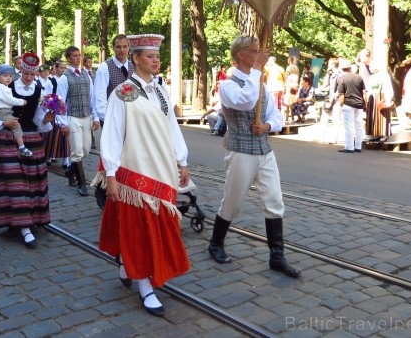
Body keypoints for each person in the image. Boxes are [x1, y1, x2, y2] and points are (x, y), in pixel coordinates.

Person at [92, 33, 191, 316]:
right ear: (135, 59)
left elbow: (172, 126)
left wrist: (182, 160)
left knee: (160, 224)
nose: (156, 60)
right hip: (134, 170)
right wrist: (110, 173)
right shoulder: (122, 92)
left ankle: (128, 263)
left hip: (161, 168)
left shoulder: (161, 91)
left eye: (158, 56)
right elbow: (111, 133)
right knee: (141, 229)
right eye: (150, 56)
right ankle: (144, 283)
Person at [207, 36, 300, 279]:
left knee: (275, 201)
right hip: (240, 151)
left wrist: (268, 126)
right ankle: (216, 243)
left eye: (259, 51)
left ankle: (276, 256)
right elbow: (246, 100)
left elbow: (276, 115)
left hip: (264, 151)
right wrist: (257, 70)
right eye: (254, 51)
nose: (259, 55)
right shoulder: (227, 85)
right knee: (232, 202)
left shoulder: (262, 84)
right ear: (240, 55)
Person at [0, 54, 53, 247]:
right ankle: (22, 226)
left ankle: (31, 220)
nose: (29, 77)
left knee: (32, 183)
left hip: (31, 137)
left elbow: (39, 120)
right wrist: (2, 122)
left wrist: (48, 119)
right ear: (19, 71)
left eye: (33, 74)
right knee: (16, 184)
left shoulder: (40, 89)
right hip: (7, 137)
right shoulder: (5, 89)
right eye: (25, 73)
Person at [63, 46, 100, 196]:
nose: (78, 58)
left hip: (86, 116)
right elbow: (60, 100)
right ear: (68, 58)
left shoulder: (86, 75)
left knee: (85, 150)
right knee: (77, 151)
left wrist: (95, 117)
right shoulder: (64, 77)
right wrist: (63, 122)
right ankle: (82, 183)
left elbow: (93, 98)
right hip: (72, 117)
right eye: (74, 56)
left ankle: (70, 170)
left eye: (79, 55)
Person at [0, 63, 31, 156]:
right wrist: (22, 102)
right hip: (4, 111)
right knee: (16, 125)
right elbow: (10, 100)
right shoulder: (5, 89)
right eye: (5, 76)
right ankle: (22, 147)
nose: (8, 78)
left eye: (10, 76)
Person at [94, 34, 134, 125]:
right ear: (113, 48)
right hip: (112, 116)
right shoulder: (105, 67)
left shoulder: (134, 66)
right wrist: (107, 118)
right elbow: (100, 96)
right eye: (118, 47)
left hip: (132, 117)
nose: (122, 50)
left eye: (125, 46)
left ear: (129, 47)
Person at [43, 60, 71, 171]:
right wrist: (53, 107)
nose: (63, 70)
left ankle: (66, 160)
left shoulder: (66, 80)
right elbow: (47, 97)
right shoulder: (51, 82)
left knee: (64, 138)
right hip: (54, 112)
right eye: (61, 68)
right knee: (51, 136)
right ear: (55, 69)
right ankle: (48, 157)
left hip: (65, 110)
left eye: (64, 68)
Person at [337, 60, 366, 152]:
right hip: (359, 104)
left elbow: (341, 94)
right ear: (350, 68)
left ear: (343, 69)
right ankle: (358, 146)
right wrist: (364, 103)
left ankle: (349, 147)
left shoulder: (342, 79)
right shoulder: (359, 78)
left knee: (349, 126)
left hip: (348, 103)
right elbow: (364, 92)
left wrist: (341, 105)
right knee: (359, 125)